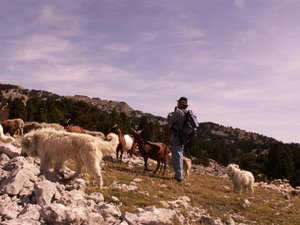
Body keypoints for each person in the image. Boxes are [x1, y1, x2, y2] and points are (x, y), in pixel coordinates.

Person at [167, 96, 189, 182]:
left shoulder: (178, 112)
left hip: (176, 136)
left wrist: (170, 114)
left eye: (178, 103)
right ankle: (180, 175)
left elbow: (170, 121)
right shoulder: (186, 112)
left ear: (180, 103)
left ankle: (178, 176)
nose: (177, 104)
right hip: (183, 137)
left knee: (176, 156)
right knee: (180, 155)